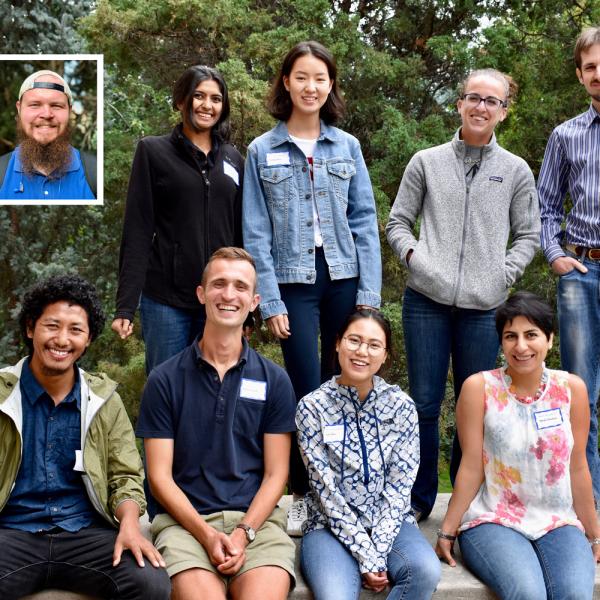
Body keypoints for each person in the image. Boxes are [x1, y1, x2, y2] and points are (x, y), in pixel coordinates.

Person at [386, 68, 540, 520]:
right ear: (459, 103)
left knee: (475, 408)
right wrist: (417, 259)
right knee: (425, 404)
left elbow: (529, 234)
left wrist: (502, 274)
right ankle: (418, 501)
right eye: (474, 97)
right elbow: (397, 222)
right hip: (425, 303)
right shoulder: (426, 161)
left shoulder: (514, 170)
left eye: (492, 101)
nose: (481, 107)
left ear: (504, 112)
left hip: (483, 307)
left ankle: (465, 499)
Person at [243, 41, 382, 533]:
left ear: (330, 85)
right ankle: (303, 492)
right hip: (291, 281)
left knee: (347, 383)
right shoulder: (263, 149)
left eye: (320, 78)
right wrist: (270, 299)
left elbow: (365, 220)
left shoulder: (346, 146)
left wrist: (370, 293)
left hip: (343, 277)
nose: (311, 87)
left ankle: (344, 490)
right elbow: (255, 231)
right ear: (286, 82)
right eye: (301, 77)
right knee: (304, 390)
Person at [136, 247, 297, 600]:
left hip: (257, 526)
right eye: (219, 284)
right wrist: (207, 536)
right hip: (184, 526)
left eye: (240, 287)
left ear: (255, 301)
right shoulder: (164, 380)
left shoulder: (275, 380)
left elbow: (276, 475)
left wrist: (243, 533)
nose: (228, 294)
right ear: (201, 293)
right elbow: (159, 479)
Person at [0, 275, 170, 600]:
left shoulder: (103, 400)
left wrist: (131, 525)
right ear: (30, 328)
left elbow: (126, 476)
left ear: (89, 339)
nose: (62, 340)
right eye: (52, 326)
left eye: (75, 330)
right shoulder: (2, 393)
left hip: (84, 534)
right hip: (12, 533)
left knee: (150, 583)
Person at [436, 291, 600, 600]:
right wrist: (447, 529)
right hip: (494, 518)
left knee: (575, 595)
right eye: (511, 336)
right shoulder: (479, 388)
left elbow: (578, 466)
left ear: (550, 339)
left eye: (531, 335)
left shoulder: (571, 389)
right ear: (501, 342)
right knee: (527, 594)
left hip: (558, 521)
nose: (521, 346)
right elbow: (471, 465)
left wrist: (594, 534)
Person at [297, 308, 441, 600]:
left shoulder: (401, 406)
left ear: (385, 354)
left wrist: (379, 546)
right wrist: (367, 553)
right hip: (328, 524)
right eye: (354, 340)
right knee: (335, 595)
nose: (362, 351)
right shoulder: (312, 407)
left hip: (390, 521)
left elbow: (401, 486)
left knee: (424, 572)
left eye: (374, 345)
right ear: (337, 343)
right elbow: (325, 492)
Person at [112, 65, 245, 374]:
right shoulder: (153, 152)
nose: (207, 105)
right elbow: (138, 229)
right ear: (181, 101)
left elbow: (241, 233)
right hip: (166, 301)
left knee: (216, 386)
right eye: (198, 96)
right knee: (166, 386)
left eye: (215, 98)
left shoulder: (234, 158)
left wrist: (246, 307)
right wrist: (126, 305)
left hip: (220, 299)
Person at [538, 26, 600, 502]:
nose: (599, 74)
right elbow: (545, 206)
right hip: (583, 272)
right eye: (591, 67)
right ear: (580, 75)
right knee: (584, 398)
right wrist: (557, 256)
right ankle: (591, 504)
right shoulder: (566, 135)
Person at [0, 69, 96, 200]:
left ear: (69, 111)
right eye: (35, 105)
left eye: (56, 106)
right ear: (19, 108)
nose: (46, 114)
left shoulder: (95, 172)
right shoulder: (2, 171)